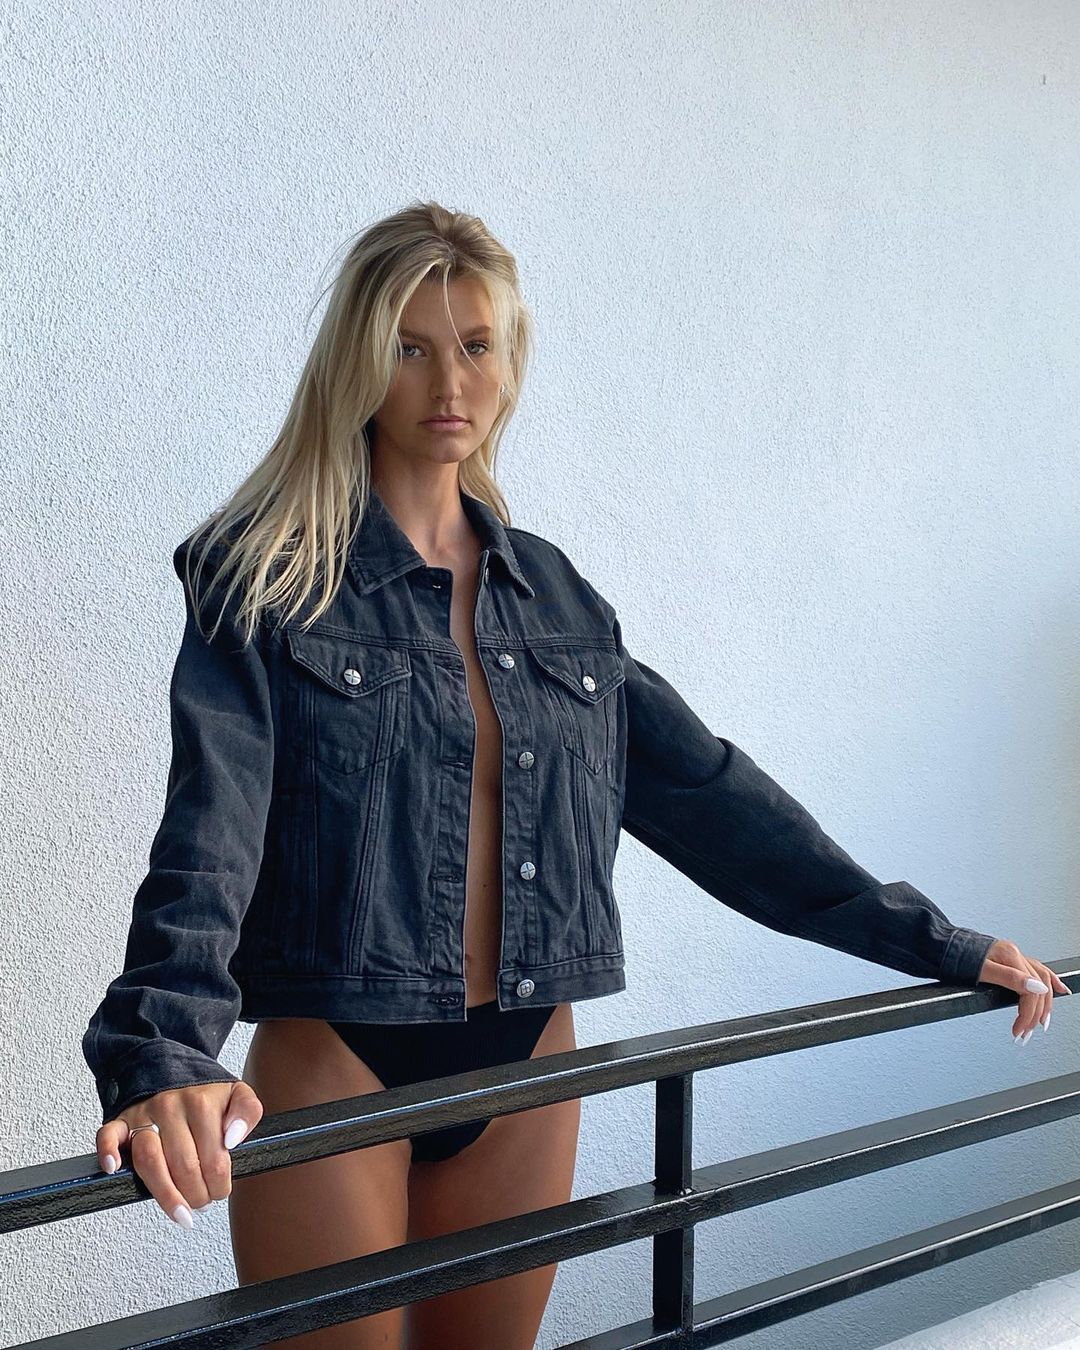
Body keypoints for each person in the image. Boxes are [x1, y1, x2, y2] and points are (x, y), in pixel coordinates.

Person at [83, 201, 1070, 1350]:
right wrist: (162, 1050)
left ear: (510, 360)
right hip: (340, 1057)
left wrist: (935, 942)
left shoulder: (556, 599)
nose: (450, 380)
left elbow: (714, 802)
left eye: (476, 344)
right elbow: (211, 829)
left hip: (526, 1061)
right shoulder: (268, 577)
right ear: (359, 361)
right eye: (411, 347)